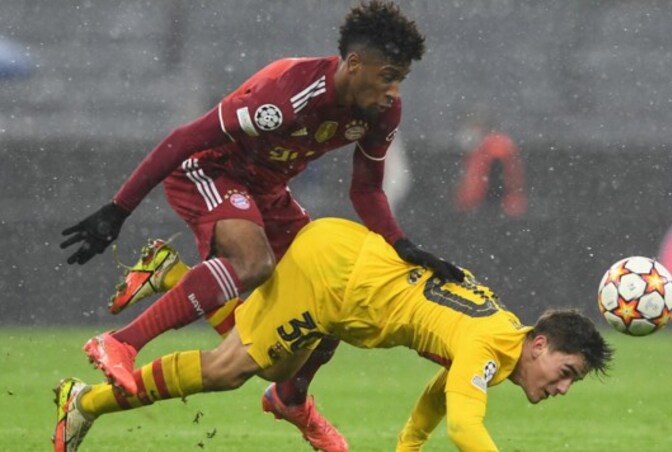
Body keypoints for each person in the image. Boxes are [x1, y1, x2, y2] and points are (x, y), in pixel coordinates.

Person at [59, 2, 462, 450]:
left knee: (327, 293)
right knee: (254, 264)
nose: (393, 90)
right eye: (388, 75)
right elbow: (185, 139)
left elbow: (365, 191)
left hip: (267, 192)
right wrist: (118, 209)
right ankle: (122, 342)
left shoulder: (380, 113)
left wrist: (403, 245)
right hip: (210, 172)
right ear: (354, 64)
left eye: (400, 78)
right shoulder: (285, 97)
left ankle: (290, 397)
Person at [53, 217, 614, 452]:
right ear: (539, 344)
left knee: (273, 365)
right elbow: (467, 425)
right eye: (566, 372)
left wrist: (407, 447)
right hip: (333, 286)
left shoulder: (496, 335)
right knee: (231, 370)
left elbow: (441, 397)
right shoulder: (487, 344)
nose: (562, 387)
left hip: (347, 270)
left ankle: (176, 277)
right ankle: (85, 402)